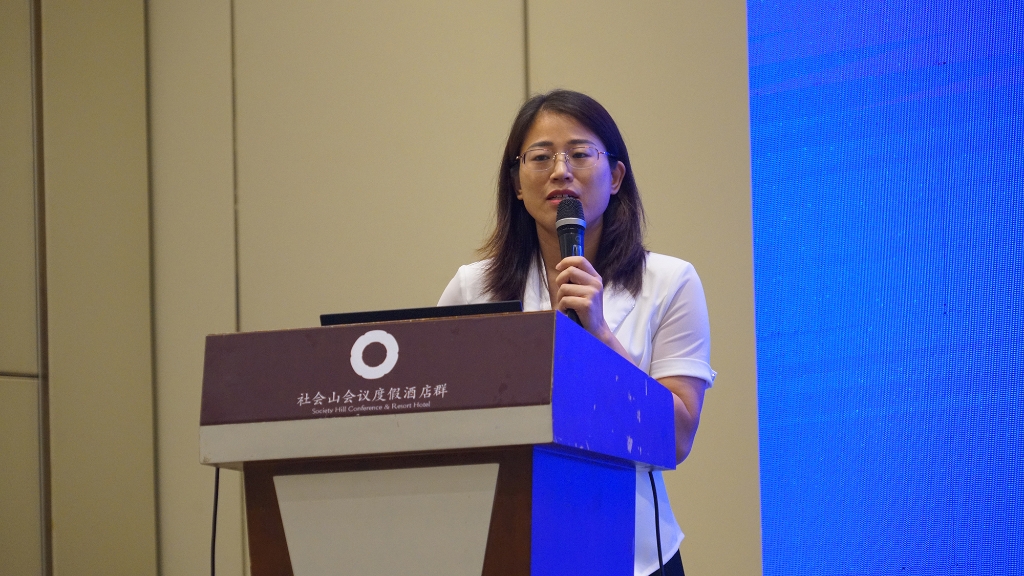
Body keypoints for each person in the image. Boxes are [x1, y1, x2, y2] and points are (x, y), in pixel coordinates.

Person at [438, 89, 715, 576]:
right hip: (510, 544)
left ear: (616, 177)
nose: (561, 171)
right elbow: (435, 417)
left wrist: (601, 335)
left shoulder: (670, 282)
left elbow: (677, 438)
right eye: (541, 157)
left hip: (634, 554)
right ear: (517, 183)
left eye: (581, 154)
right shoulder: (472, 288)